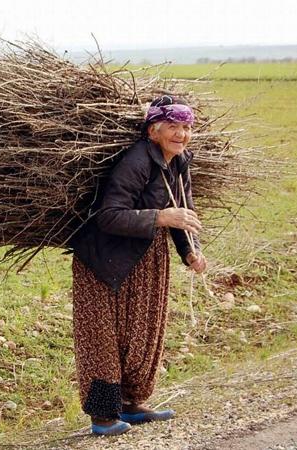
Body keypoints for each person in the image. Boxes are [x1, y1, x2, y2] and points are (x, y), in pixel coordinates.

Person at [69, 95, 208, 436]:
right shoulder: (137, 161)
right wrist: (160, 216)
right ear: (153, 131)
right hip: (103, 261)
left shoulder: (179, 160)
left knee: (142, 334)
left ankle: (131, 404)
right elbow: (108, 215)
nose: (181, 134)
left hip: (146, 259)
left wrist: (190, 251)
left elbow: (182, 210)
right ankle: (103, 417)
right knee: (102, 337)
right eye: (173, 127)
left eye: (186, 128)